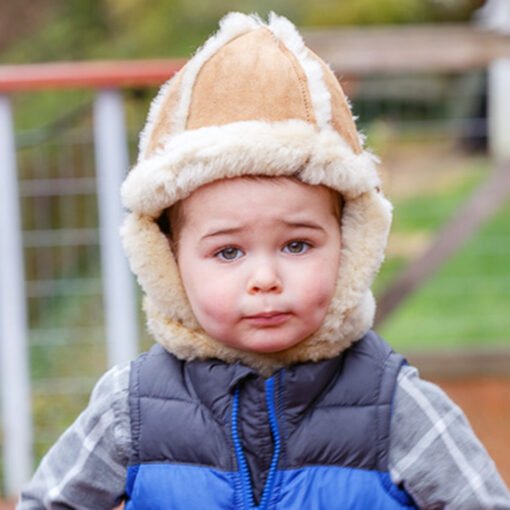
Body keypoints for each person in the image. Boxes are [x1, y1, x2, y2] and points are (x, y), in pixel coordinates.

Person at [18, 12, 510, 510]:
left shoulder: (397, 407)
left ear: (350, 246)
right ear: (168, 261)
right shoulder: (131, 407)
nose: (265, 279)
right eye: (228, 252)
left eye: (297, 245)